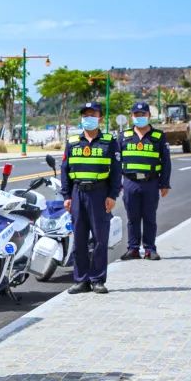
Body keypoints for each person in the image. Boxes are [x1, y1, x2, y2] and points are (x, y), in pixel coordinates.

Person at [61, 102, 121, 294]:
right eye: (85, 115)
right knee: (78, 239)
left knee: (100, 239)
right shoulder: (72, 142)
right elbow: (65, 170)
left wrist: (112, 195)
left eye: (92, 115)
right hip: (77, 193)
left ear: (100, 118)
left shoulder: (109, 141)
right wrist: (67, 195)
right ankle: (81, 280)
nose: (88, 118)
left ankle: (97, 279)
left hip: (99, 193)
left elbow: (116, 170)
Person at [118, 102, 172, 261]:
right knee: (132, 217)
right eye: (136, 114)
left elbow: (166, 162)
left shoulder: (158, 136)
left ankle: (149, 249)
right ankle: (133, 249)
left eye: (143, 114)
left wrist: (164, 183)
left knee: (149, 217)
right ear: (131, 116)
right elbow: (116, 162)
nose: (140, 117)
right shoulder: (123, 136)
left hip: (151, 182)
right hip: (130, 182)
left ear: (149, 116)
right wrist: (116, 184)